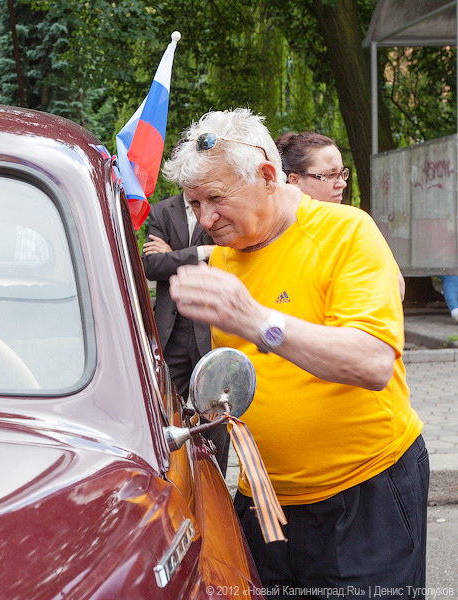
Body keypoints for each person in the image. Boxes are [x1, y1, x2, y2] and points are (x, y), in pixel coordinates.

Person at [163, 108, 428, 595]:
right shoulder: (226, 251)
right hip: (267, 500)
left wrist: (257, 321)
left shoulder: (347, 233)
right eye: (194, 203)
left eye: (216, 200)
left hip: (362, 494)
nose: (204, 219)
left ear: (267, 176)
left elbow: (371, 362)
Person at [141, 192, 230, 475]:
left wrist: (172, 256)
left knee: (215, 414)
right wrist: (201, 254)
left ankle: (213, 479)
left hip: (212, 329)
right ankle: (165, 474)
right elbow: (151, 267)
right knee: (161, 410)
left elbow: (228, 259)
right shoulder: (161, 211)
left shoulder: (223, 206)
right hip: (171, 332)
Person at [277, 130, 406, 301]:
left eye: (342, 173)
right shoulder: (268, 231)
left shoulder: (351, 224)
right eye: (330, 175)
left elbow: (395, 287)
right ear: (294, 180)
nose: (343, 183)